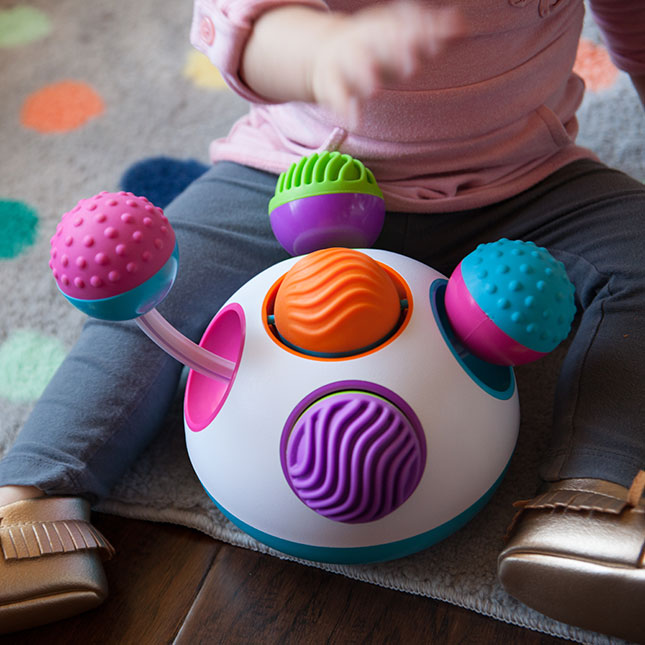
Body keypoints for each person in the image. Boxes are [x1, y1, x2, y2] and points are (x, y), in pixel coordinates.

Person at [1, 0, 644, 638]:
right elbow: (246, 31)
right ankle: (31, 502)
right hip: (293, 178)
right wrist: (317, 53)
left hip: (526, 181)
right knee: (150, 298)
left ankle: (595, 500)